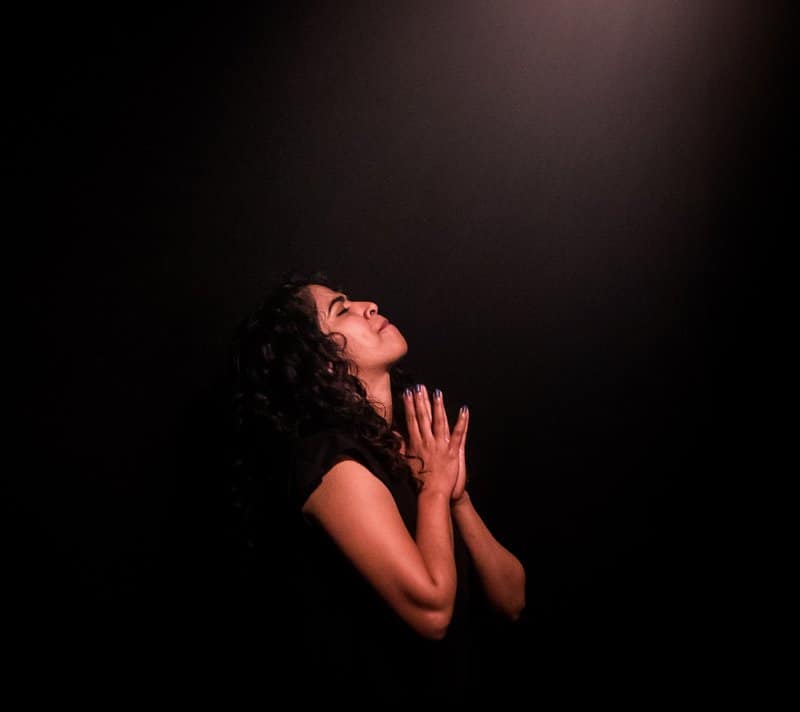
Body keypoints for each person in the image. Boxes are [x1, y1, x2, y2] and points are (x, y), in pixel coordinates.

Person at [227, 270, 526, 703]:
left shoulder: (412, 453)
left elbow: (511, 599)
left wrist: (456, 497)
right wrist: (435, 492)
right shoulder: (331, 463)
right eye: (341, 310)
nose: (368, 305)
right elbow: (431, 611)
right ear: (321, 360)